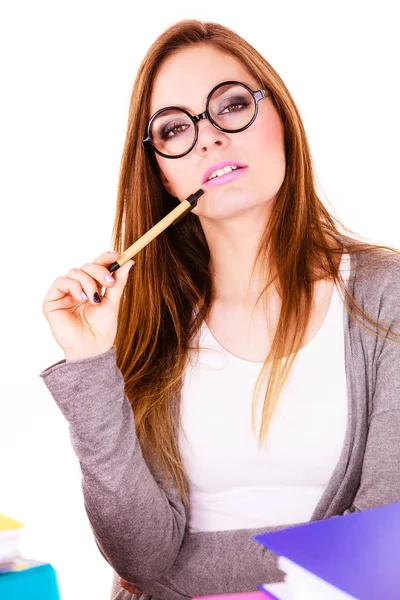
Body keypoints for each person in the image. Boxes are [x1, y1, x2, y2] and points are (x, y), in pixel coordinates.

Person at [39, 19, 400, 600]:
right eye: (175, 128)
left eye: (232, 106)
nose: (207, 138)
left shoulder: (386, 295)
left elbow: (386, 543)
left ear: (281, 116)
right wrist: (90, 363)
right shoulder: (144, 320)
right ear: (160, 168)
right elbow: (139, 556)